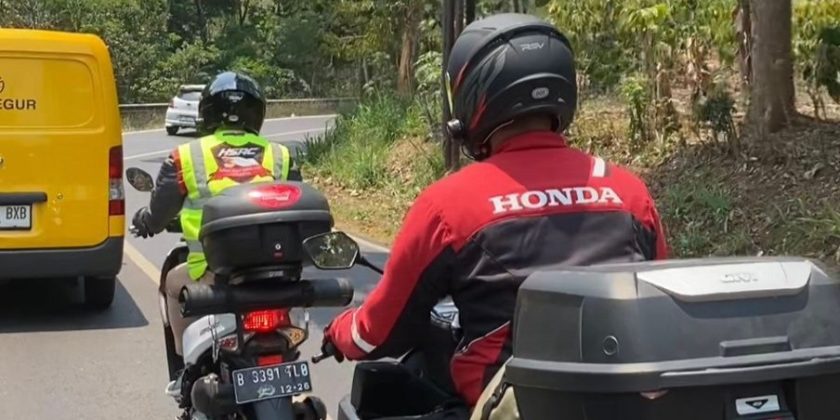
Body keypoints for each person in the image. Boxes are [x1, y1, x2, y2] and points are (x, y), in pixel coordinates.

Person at [322, 12, 668, 416]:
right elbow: (659, 308)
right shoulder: (629, 192)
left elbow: (378, 333)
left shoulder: (450, 205)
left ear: (472, 98)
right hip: (623, 405)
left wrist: (339, 331)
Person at [131, 71, 301, 360]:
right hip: (274, 275)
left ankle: (184, 364)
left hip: (211, 272)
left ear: (207, 112)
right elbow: (297, 204)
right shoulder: (280, 155)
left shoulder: (186, 156)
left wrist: (146, 221)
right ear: (256, 112)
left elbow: (159, 214)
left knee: (172, 283)